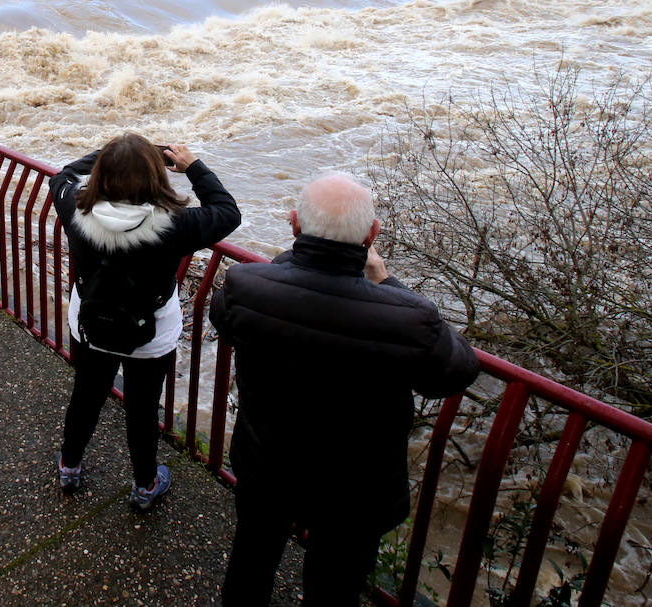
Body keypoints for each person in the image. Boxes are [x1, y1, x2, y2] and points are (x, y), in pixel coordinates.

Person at [209, 173, 480, 607]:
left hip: (266, 467)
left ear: (293, 224)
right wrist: (386, 281)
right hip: (355, 492)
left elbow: (223, 319)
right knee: (334, 590)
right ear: (372, 234)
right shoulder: (409, 318)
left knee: (251, 564)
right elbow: (455, 372)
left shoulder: (246, 285)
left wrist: (286, 264)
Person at [51, 134, 240, 510]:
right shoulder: (178, 224)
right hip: (149, 334)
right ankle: (144, 484)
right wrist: (193, 167)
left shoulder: (74, 208)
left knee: (86, 397)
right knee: (141, 408)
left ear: (101, 174)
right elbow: (227, 211)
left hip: (90, 325)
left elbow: (64, 174)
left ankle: (69, 467)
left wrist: (109, 155)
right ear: (157, 180)